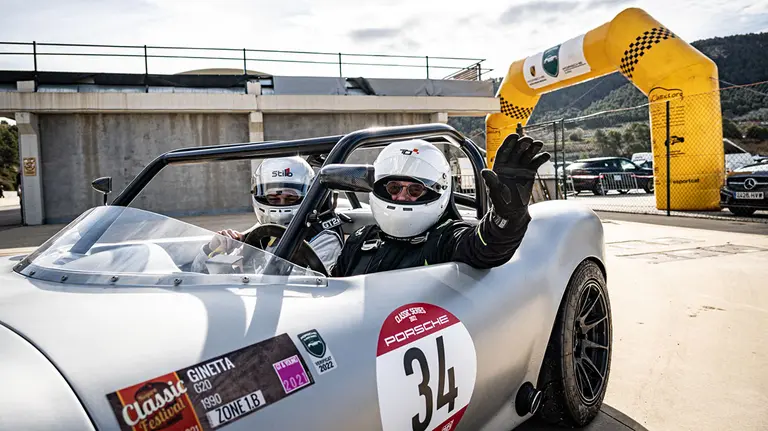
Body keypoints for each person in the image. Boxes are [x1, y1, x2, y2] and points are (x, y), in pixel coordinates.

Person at [330, 134, 549, 276]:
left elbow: (487, 247)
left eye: (414, 190)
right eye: (393, 188)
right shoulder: (361, 239)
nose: (401, 196)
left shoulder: (446, 238)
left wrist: (507, 216)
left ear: (437, 192)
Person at [192, 156, 343, 273]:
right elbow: (196, 274)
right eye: (273, 198)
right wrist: (212, 248)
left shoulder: (324, 239)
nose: (281, 204)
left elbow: (297, 290)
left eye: (291, 198)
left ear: (307, 196)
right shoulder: (261, 234)